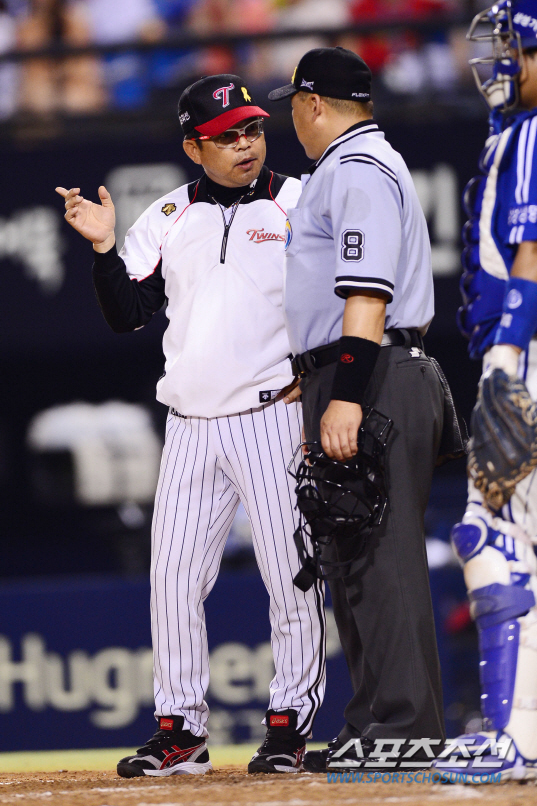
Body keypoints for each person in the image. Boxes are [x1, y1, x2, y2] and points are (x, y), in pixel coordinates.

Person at [55, 73, 325, 777]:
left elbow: (341, 298)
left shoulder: (301, 201)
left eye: (252, 128)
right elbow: (128, 314)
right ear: (192, 147)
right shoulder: (169, 214)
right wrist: (103, 251)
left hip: (273, 415)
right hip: (190, 424)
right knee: (172, 580)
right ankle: (181, 731)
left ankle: (288, 727)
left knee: (290, 578)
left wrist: (322, 378)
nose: (246, 143)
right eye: (226, 135)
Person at [268, 46, 446, 772]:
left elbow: (367, 291)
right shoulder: (345, 167)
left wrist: (343, 390)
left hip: (374, 376)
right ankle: (375, 723)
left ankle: (406, 729)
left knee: (383, 554)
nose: (291, 118)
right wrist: (314, 374)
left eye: (292, 105)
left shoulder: (358, 167)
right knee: (353, 556)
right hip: (355, 370)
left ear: (313, 103)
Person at [432, 0, 537, 782]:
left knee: (491, 536)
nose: (501, 63)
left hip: (528, 350)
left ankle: (516, 735)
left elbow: (533, 255)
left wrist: (504, 360)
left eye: (515, 49)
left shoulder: (534, 131)